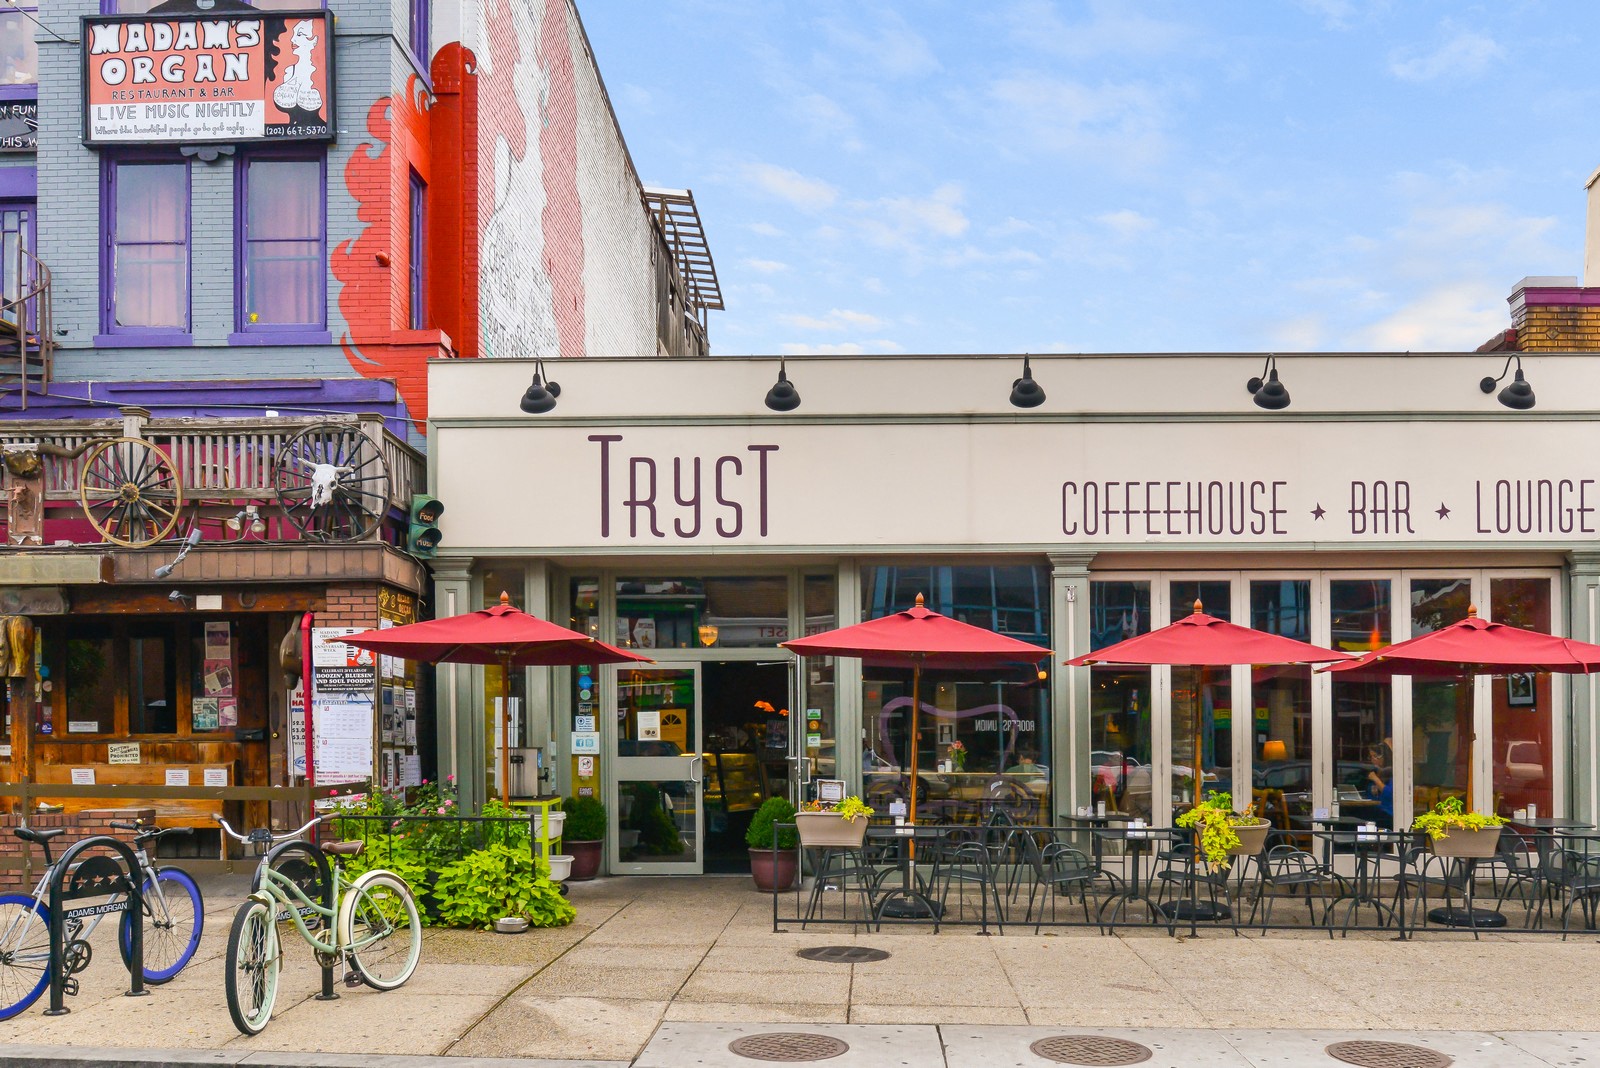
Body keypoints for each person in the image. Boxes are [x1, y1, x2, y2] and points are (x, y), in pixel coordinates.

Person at [1366, 741, 1394, 828]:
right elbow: (1371, 796)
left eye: (1375, 756)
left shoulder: (1392, 772)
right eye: (1371, 757)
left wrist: (1376, 780)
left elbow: (1390, 794)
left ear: (1384, 757)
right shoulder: (1377, 772)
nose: (1372, 760)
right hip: (1378, 810)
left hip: (1389, 813)